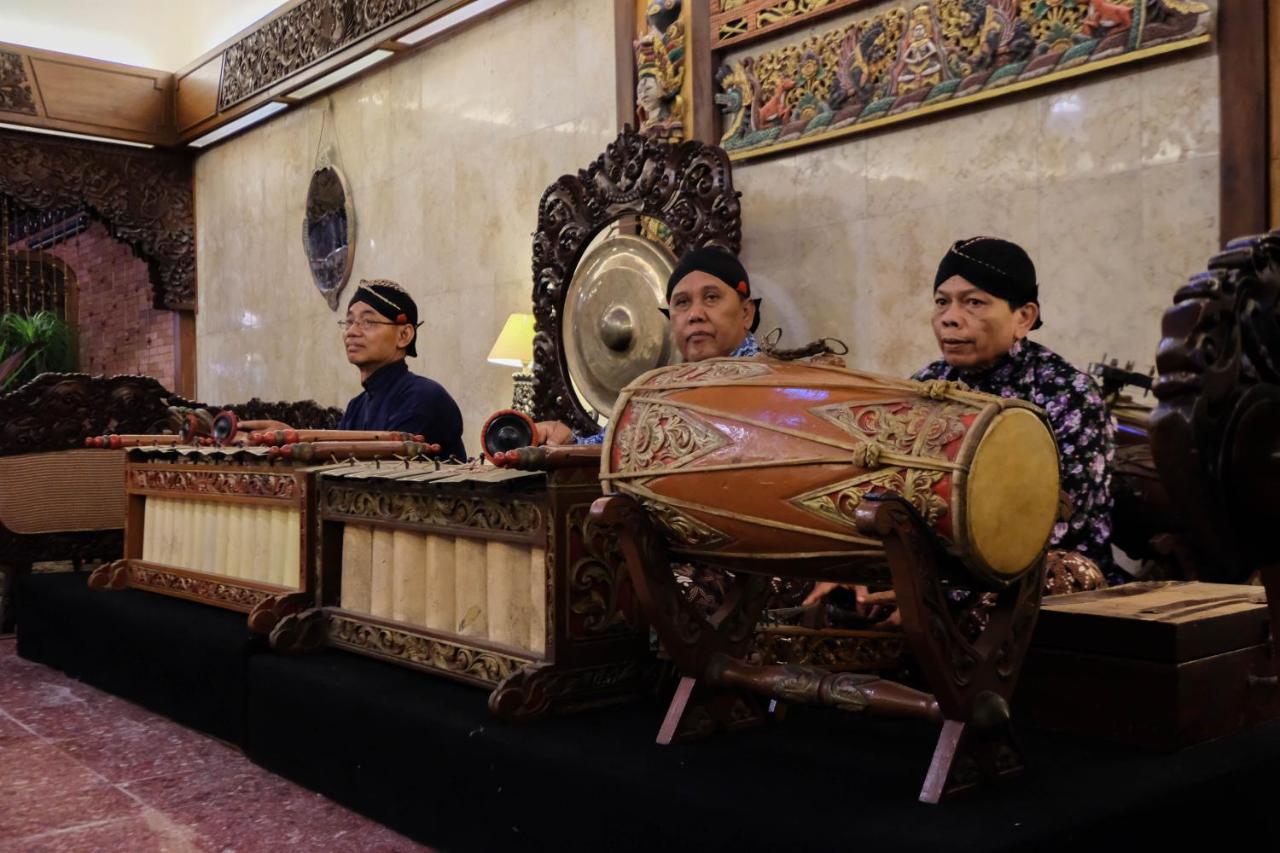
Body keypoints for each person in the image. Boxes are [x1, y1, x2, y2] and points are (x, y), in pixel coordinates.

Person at [807, 237, 1117, 621]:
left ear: (1024, 317)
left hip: (1034, 573)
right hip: (927, 568)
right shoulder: (925, 387)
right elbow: (879, 489)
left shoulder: (1067, 392)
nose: (950, 318)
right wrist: (852, 568)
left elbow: (1055, 531)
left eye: (974, 302)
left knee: (1060, 574)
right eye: (942, 302)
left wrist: (932, 592)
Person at [537, 245, 763, 445]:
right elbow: (605, 448)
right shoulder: (659, 394)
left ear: (746, 313)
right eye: (682, 302)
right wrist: (567, 441)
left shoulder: (779, 388)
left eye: (711, 297)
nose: (694, 314)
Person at [337, 279, 467, 460]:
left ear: (404, 335)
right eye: (349, 321)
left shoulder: (423, 397)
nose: (351, 331)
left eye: (367, 321)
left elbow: (380, 473)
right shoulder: (356, 406)